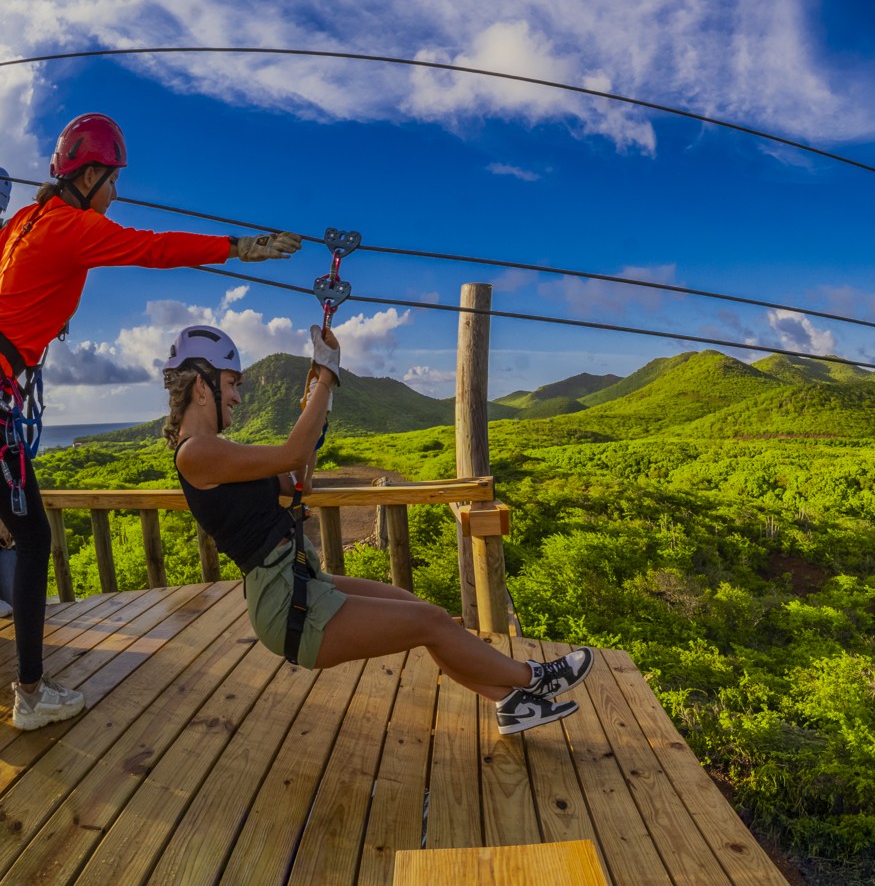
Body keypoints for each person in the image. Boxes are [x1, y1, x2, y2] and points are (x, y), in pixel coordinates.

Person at [0, 113, 302, 730]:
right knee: (31, 540)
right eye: (113, 180)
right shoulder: (72, 227)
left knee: (22, 534)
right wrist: (238, 247)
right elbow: (153, 248)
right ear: (89, 175)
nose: (116, 193)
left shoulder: (23, 222)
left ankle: (31, 690)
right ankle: (30, 693)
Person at [164, 324, 589, 735]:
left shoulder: (217, 451)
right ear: (202, 385)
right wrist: (326, 375)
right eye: (231, 383)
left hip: (300, 580)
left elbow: (298, 480)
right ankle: (535, 677)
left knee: (428, 616)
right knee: (429, 622)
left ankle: (511, 704)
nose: (237, 396)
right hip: (284, 603)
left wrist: (319, 405)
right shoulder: (196, 454)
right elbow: (292, 452)